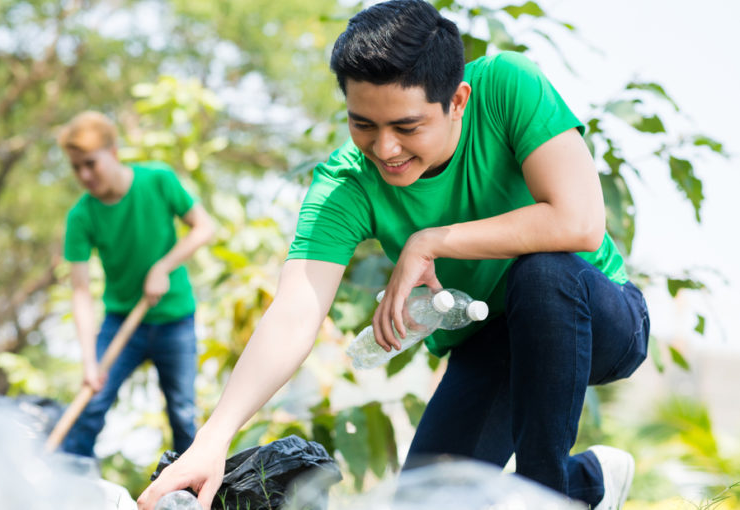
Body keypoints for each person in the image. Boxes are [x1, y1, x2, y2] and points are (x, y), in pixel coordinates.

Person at [137, 1, 649, 508]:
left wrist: (430, 241)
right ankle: (589, 482)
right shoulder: (346, 185)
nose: (384, 149)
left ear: (458, 101)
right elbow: (295, 311)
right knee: (423, 505)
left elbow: (578, 222)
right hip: (493, 344)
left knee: (542, 273)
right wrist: (212, 439)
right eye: (364, 126)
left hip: (597, 315)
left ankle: (549, 498)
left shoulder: (506, 85)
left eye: (406, 127)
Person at [57, 111, 214, 459]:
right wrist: (88, 361)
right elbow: (80, 291)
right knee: (90, 409)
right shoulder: (81, 216)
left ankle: (189, 498)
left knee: (183, 416)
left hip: (175, 319)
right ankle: (70, 489)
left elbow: (204, 227)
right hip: (121, 323)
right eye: (76, 167)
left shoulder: (157, 180)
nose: (84, 175)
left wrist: (163, 266)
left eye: (90, 164)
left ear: (113, 152)